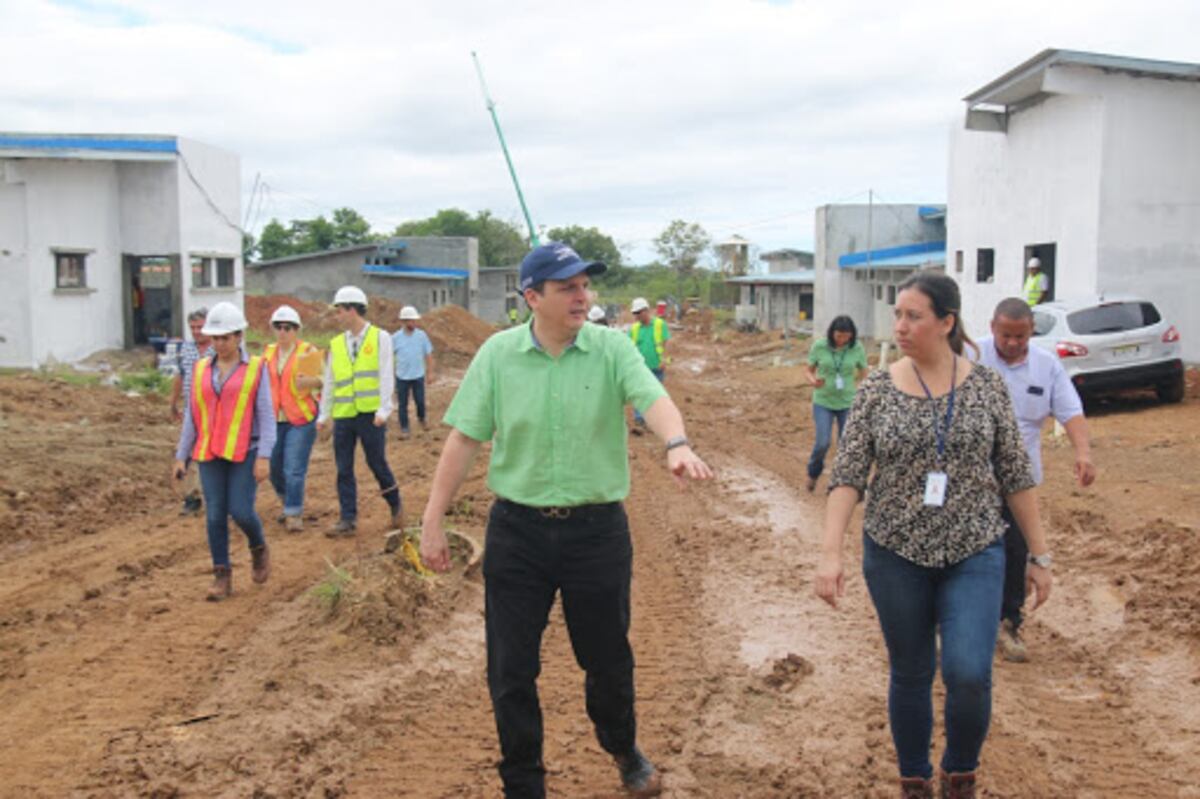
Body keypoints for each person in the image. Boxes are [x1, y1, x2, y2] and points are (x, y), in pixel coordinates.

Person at [419, 241, 713, 799]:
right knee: (510, 669)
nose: (583, 297)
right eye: (568, 288)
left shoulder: (611, 348)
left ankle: (622, 746)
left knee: (607, 660)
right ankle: (522, 782)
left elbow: (652, 397)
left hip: (596, 533)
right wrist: (432, 522)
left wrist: (676, 442)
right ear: (533, 297)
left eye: (584, 286)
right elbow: (463, 439)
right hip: (517, 533)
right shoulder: (497, 355)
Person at [814, 272, 1051, 799]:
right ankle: (915, 780)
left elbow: (1016, 474)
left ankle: (959, 774)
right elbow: (847, 475)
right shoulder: (876, 390)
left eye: (913, 316)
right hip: (894, 552)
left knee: (968, 671)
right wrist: (830, 553)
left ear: (946, 322)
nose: (900, 326)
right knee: (912, 670)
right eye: (897, 315)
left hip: (975, 549)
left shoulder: (986, 386)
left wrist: (1039, 555)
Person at [976, 297, 1095, 662]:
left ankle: (1008, 622)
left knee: (1015, 551)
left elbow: (1070, 411)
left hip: (1018, 483)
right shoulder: (970, 356)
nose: (1013, 343)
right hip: (971, 478)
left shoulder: (1047, 366)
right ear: (993, 328)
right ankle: (947, 620)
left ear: (1031, 332)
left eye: (1021, 336)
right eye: (1006, 335)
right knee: (964, 549)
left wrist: (1083, 453)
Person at [172, 302, 275, 601]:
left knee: (241, 510)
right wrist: (181, 455)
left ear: (239, 336)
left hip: (245, 449)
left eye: (225, 338)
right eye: (215, 338)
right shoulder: (200, 369)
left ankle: (258, 546)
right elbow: (192, 416)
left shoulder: (256, 368)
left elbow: (266, 415)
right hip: (209, 450)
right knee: (215, 514)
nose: (219, 344)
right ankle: (221, 575)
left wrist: (264, 456)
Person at [317, 285, 403, 537]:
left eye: (340, 311)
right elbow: (330, 381)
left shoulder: (380, 338)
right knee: (343, 468)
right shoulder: (336, 344)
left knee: (376, 463)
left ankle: (396, 504)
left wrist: (384, 409)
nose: (337, 316)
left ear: (352, 310)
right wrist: (324, 414)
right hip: (344, 414)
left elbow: (386, 374)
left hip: (370, 414)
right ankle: (348, 518)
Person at [263, 305, 323, 534]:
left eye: (287, 327)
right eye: (278, 327)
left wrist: (310, 382)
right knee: (274, 468)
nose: (282, 332)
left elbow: (324, 379)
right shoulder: (268, 353)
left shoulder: (307, 351)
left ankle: (293, 512)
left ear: (296, 330)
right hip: (274, 420)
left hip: (301, 418)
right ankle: (287, 500)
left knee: (294, 468)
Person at [804, 315, 868, 492]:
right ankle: (813, 473)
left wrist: (863, 391)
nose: (842, 340)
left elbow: (864, 373)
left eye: (846, 336)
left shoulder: (857, 348)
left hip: (847, 402)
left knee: (845, 444)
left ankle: (839, 481)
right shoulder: (820, 346)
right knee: (823, 442)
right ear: (832, 333)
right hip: (823, 401)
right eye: (839, 335)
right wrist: (813, 380)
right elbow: (808, 370)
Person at [170, 307, 212, 516]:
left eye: (200, 327)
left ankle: (212, 494)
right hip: (191, 410)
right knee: (186, 451)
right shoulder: (186, 349)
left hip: (213, 411)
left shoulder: (219, 349)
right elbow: (180, 375)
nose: (196, 331)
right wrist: (173, 402)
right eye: (193, 327)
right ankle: (192, 497)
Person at [391, 305, 435, 440]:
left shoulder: (421, 336)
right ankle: (404, 428)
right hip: (402, 376)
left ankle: (422, 418)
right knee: (402, 404)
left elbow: (428, 355)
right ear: (404, 321)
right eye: (411, 320)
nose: (414, 323)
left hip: (418, 375)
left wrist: (430, 372)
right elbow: (388, 356)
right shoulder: (395, 338)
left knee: (420, 401)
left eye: (414, 320)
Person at [629, 296, 670, 428]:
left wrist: (665, 360)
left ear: (646, 310)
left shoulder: (659, 324)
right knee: (640, 392)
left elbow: (666, 343)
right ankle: (640, 418)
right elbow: (629, 347)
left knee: (655, 394)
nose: (636, 316)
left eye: (638, 313)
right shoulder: (634, 328)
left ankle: (654, 418)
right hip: (640, 367)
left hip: (657, 365)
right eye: (635, 313)